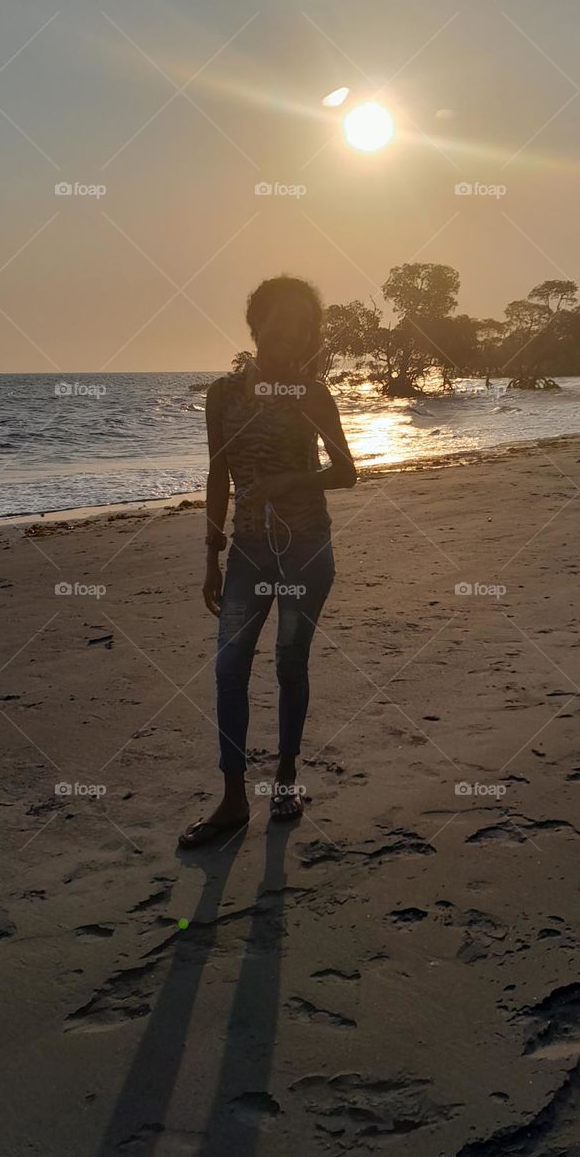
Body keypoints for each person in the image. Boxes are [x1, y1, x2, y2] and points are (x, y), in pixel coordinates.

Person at [179, 276, 357, 848]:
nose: (289, 335)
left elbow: (346, 472)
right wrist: (212, 552)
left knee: (289, 663)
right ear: (255, 325)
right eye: (278, 323)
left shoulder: (313, 395)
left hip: (307, 549)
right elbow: (216, 474)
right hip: (249, 552)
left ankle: (285, 779)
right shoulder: (223, 395)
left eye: (302, 326)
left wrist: (288, 479)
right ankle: (233, 799)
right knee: (230, 670)